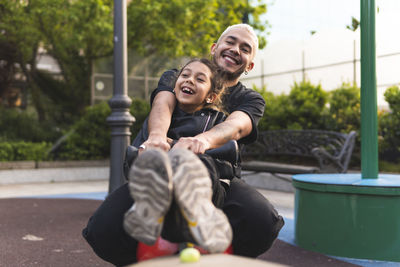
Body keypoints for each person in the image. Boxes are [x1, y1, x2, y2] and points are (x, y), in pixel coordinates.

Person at [83, 24, 284, 266]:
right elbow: (163, 104)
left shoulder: (250, 99)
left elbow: (238, 125)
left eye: (244, 48)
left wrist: (202, 140)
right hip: (162, 170)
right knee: (102, 230)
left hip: (214, 174)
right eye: (229, 42)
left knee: (263, 221)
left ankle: (214, 248)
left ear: (249, 65)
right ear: (215, 48)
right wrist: (157, 137)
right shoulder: (177, 76)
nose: (234, 49)